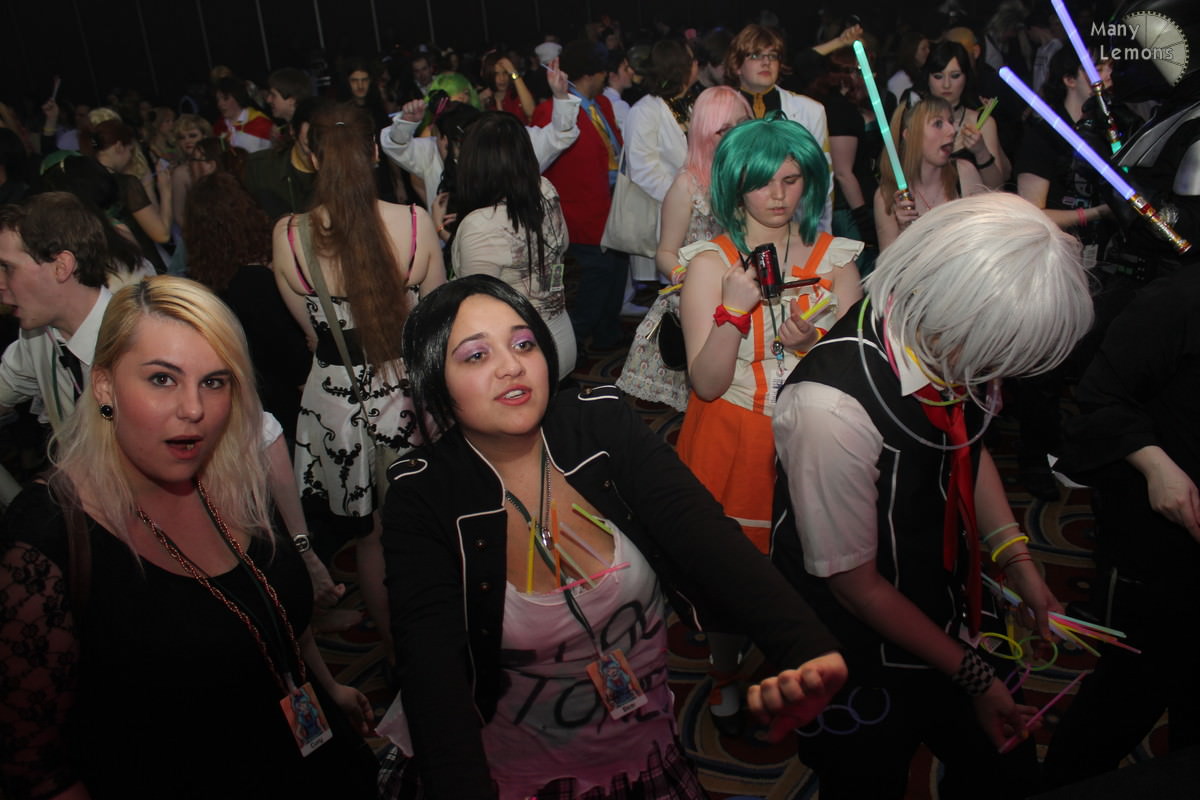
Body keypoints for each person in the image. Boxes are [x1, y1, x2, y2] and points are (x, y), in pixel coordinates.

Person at [382, 274, 848, 799]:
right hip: (514, 776)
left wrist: (807, 647)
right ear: (435, 382)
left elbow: (704, 534)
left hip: (645, 749)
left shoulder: (598, 423)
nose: (511, 366)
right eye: (475, 355)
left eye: (524, 344)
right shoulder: (422, 497)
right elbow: (433, 675)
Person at [768, 193, 1095, 799]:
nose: (997, 370)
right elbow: (855, 587)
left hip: (948, 605)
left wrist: (1019, 564)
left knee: (1008, 775)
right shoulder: (828, 408)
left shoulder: (948, 339)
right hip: (854, 647)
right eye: (996, 350)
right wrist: (975, 677)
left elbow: (968, 448)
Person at [0, 276, 378, 799]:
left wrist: (326, 687)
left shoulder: (227, 473)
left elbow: (265, 609)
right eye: (162, 379)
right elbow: (38, 773)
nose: (194, 409)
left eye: (214, 381)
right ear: (104, 386)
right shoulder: (44, 541)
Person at [675, 115, 863, 731]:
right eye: (762, 183)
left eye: (791, 179)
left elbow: (860, 372)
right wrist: (734, 312)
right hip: (734, 433)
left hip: (814, 437)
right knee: (731, 576)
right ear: (736, 185)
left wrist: (816, 346)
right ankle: (725, 670)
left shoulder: (836, 259)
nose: (779, 196)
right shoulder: (711, 264)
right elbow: (705, 383)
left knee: (816, 568)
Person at [273, 102, 446, 663]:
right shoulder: (415, 223)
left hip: (338, 401)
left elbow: (312, 334)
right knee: (431, 523)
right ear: (374, 150)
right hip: (408, 395)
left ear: (311, 156)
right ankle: (446, 639)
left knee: (370, 539)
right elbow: (436, 323)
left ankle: (396, 654)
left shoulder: (289, 236)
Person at [1042, 261, 1200, 787]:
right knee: (1127, 692)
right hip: (1160, 545)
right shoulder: (1177, 299)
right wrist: (1158, 468)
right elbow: (1099, 397)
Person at [617, 86, 750, 411]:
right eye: (724, 129)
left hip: (746, 295)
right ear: (704, 132)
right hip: (700, 304)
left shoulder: (755, 179)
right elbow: (665, 252)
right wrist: (690, 278)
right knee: (707, 391)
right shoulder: (687, 185)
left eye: (743, 124)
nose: (736, 135)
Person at [451, 112, 575, 379]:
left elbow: (475, 306)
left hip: (519, 354)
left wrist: (441, 233)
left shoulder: (480, 225)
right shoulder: (545, 190)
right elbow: (562, 245)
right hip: (561, 335)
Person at [537, 40, 627, 353]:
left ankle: (607, 334)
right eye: (603, 72)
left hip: (612, 201)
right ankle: (569, 342)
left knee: (617, 269)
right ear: (593, 73)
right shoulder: (552, 109)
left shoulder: (602, 103)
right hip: (578, 208)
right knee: (598, 273)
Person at [724, 23, 833, 232]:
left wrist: (820, 231)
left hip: (796, 225)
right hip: (734, 226)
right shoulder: (717, 111)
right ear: (737, 65)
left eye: (773, 56)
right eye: (755, 55)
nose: (766, 62)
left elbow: (823, 179)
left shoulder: (810, 110)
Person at [623, 39, 700, 284]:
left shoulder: (691, 104)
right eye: (692, 60)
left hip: (697, 213)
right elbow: (642, 170)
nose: (697, 64)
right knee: (674, 285)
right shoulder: (645, 110)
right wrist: (685, 197)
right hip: (663, 211)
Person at [874, 96, 986, 251]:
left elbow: (987, 240)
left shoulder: (964, 173)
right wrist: (903, 232)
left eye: (951, 121)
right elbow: (888, 264)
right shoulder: (887, 195)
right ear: (909, 135)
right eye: (938, 124)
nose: (952, 131)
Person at [922, 40, 1009, 188]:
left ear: (966, 77)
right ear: (928, 78)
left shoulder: (983, 123)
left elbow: (996, 188)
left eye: (955, 76)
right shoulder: (915, 120)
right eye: (938, 76)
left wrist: (981, 152)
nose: (946, 85)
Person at [212, 76, 273, 154]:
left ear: (238, 97)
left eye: (225, 98)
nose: (220, 104)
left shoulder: (261, 123)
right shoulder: (218, 126)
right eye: (218, 100)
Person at [480, 51, 536, 124]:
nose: (502, 78)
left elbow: (531, 112)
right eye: (496, 74)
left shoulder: (518, 94)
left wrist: (514, 73)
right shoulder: (485, 99)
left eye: (505, 72)